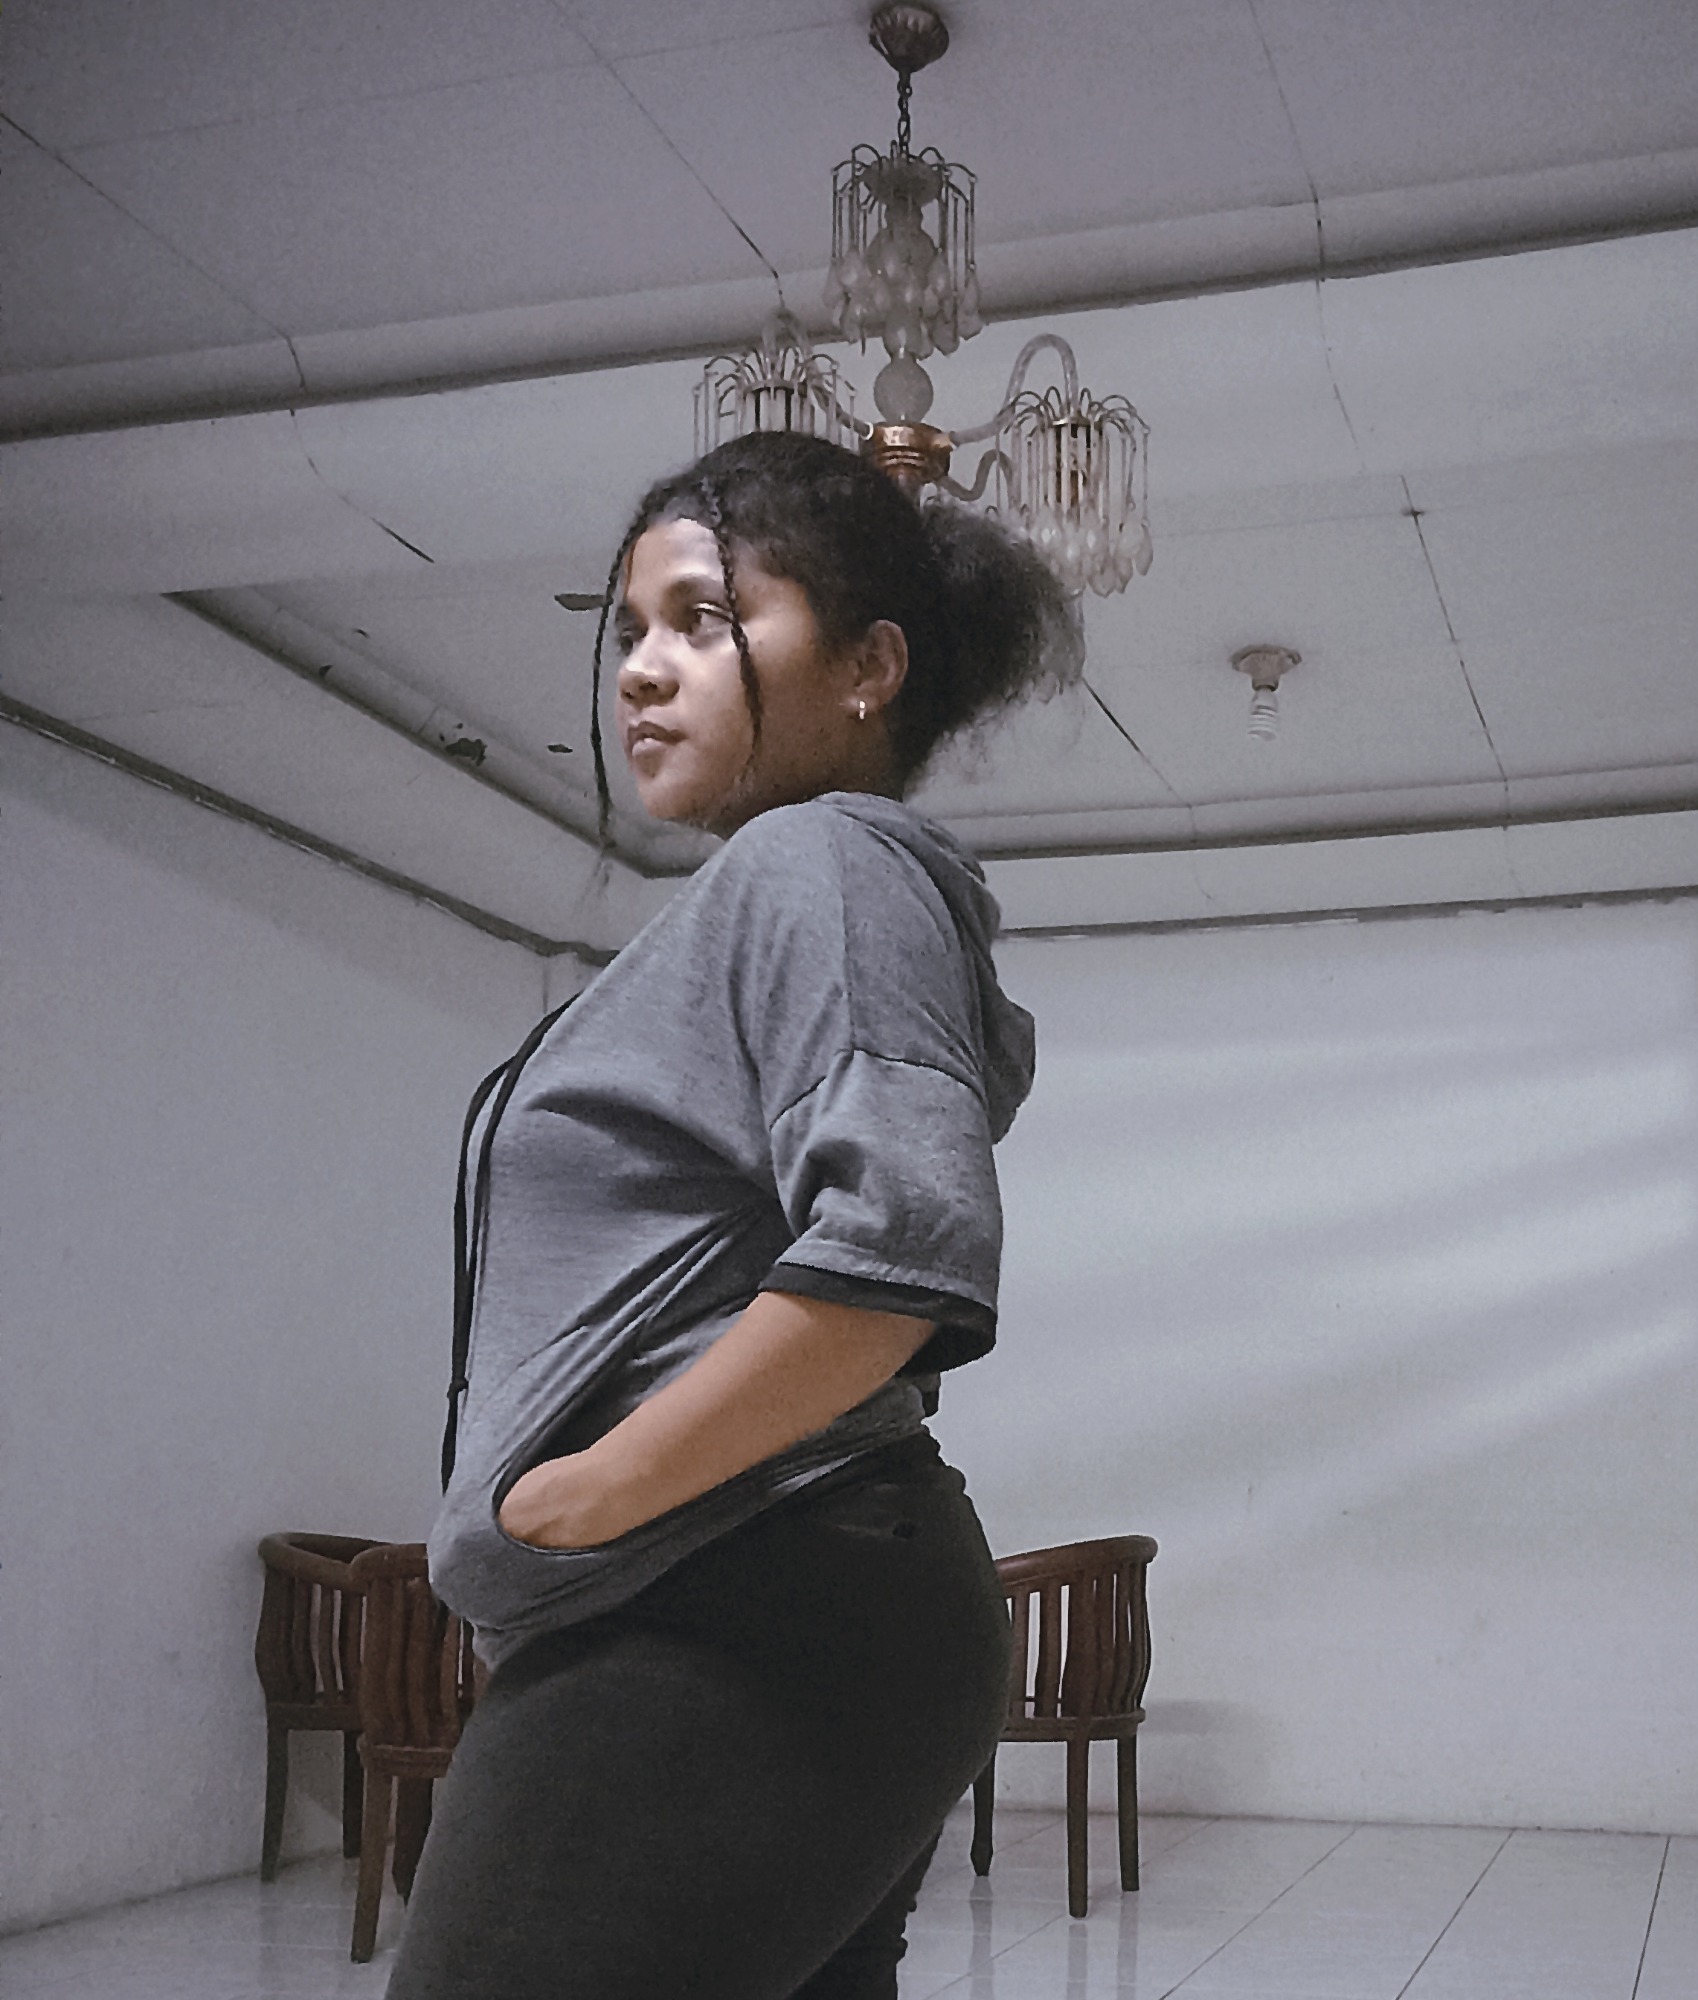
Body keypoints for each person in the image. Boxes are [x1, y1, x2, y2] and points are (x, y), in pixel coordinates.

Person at [386, 430, 1081, 2000]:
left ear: (869, 668)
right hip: (782, 1594)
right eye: (631, 630)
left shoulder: (819, 860)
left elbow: (899, 1252)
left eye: (706, 620)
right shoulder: (772, 898)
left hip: (728, 1598)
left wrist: (584, 1499)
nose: (642, 669)